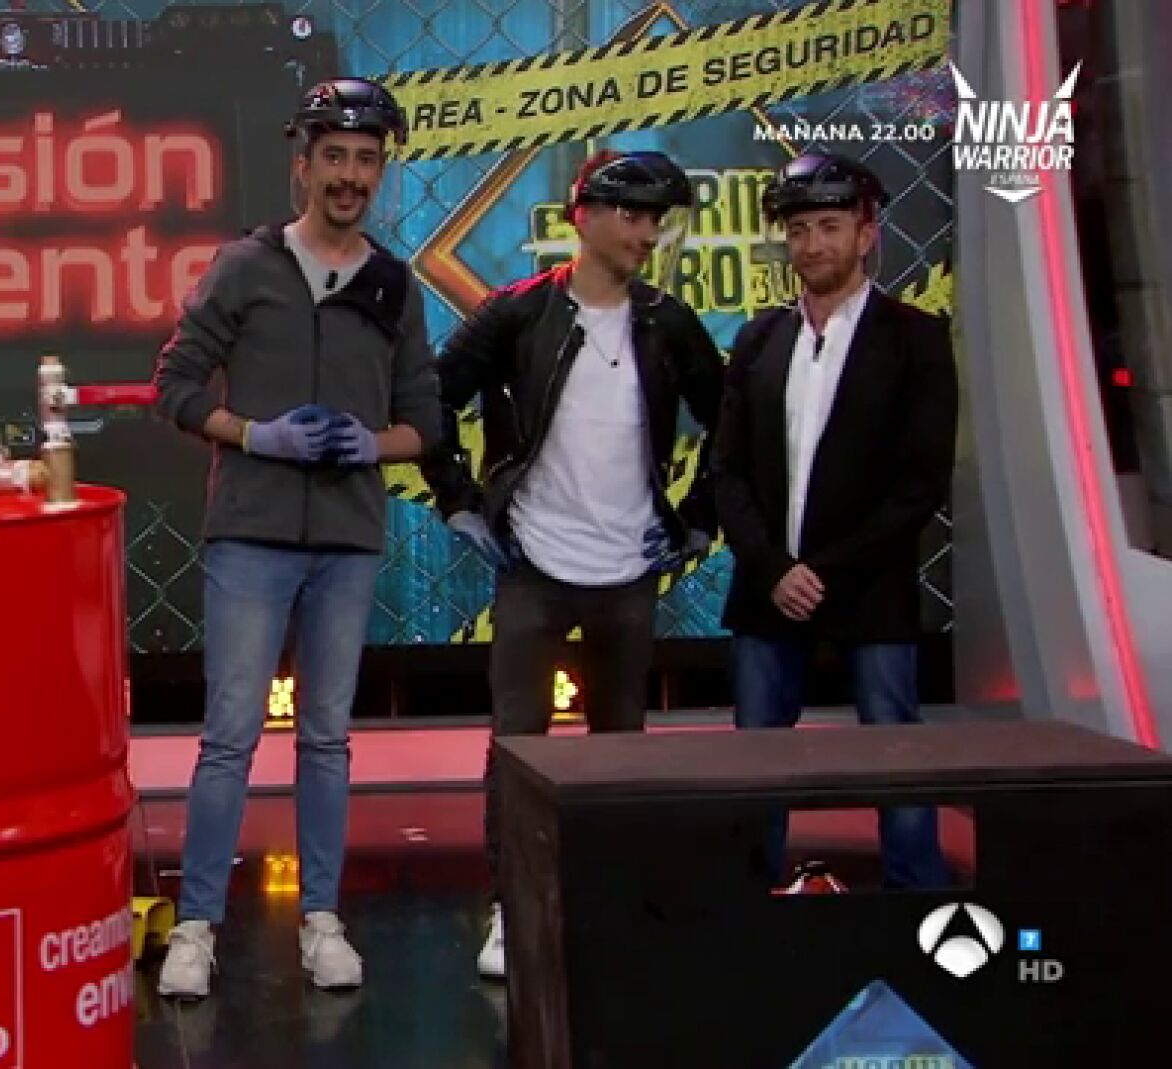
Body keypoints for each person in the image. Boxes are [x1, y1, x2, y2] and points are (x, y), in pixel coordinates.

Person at [149, 77, 443, 999]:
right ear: (303, 165)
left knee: (326, 737)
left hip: (346, 540)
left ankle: (322, 920)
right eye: (335, 157)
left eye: (367, 160)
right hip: (251, 533)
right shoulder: (246, 266)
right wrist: (254, 434)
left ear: (380, 172)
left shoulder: (395, 284)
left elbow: (426, 422)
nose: (350, 176)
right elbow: (175, 386)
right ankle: (196, 925)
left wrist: (371, 444)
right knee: (230, 734)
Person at [419, 149, 727, 979]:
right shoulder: (518, 313)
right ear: (581, 217)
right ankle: (512, 907)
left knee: (619, 747)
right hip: (534, 564)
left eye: (654, 219)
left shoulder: (667, 322)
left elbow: (730, 419)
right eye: (630, 214)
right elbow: (428, 397)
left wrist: (699, 518)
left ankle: (611, 898)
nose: (645, 233)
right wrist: (458, 500)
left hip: (630, 570)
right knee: (519, 747)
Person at [708, 153, 959, 890]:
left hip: (869, 587)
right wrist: (773, 568)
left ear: (866, 234)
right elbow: (727, 471)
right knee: (758, 755)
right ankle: (751, 896)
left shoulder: (915, 338)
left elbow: (920, 484)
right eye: (798, 230)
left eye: (828, 226)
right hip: (768, 589)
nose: (812, 244)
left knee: (894, 748)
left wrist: (823, 572)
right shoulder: (758, 339)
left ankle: (917, 897)